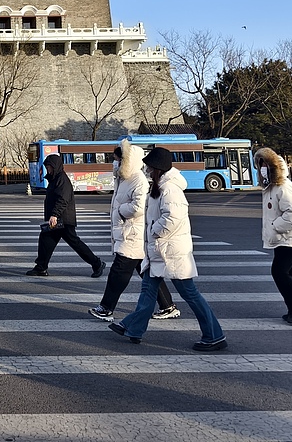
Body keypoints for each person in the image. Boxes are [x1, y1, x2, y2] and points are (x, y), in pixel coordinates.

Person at [109, 147, 226, 351]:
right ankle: (133, 328)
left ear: (158, 169)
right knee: (147, 290)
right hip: (159, 251)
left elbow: (173, 217)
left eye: (149, 166)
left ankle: (214, 335)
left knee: (190, 293)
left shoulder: (170, 189)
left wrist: (154, 231)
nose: (146, 169)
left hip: (171, 252)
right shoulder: (160, 186)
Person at [89, 142, 178, 322]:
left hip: (133, 234)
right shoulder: (124, 178)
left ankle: (106, 308)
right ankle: (168, 306)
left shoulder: (138, 179)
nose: (115, 163)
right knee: (148, 272)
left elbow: (138, 207)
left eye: (117, 159)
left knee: (118, 273)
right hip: (128, 232)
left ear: (128, 160)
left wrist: (120, 210)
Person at [255, 147, 292, 324]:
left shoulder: (283, 187)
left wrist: (274, 227)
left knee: (279, 272)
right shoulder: (272, 187)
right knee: (288, 273)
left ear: (274, 167)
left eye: (265, 164)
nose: (262, 168)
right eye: (260, 164)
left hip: (290, 238)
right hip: (284, 238)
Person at [26, 153, 105, 278]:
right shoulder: (55, 178)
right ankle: (41, 267)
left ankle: (97, 263)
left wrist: (54, 215)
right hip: (57, 220)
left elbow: (63, 199)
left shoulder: (62, 179)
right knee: (46, 240)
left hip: (63, 220)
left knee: (75, 243)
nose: (48, 169)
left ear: (55, 166)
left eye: (49, 167)